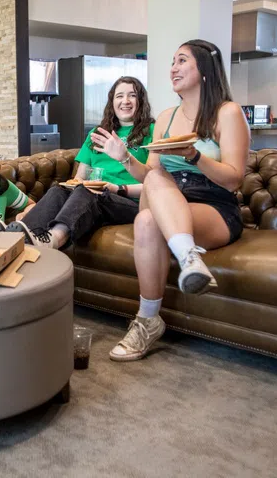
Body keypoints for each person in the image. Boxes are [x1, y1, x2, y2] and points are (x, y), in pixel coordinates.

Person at [92, 39, 250, 362]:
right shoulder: (165, 118)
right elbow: (148, 174)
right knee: (150, 200)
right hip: (170, 197)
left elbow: (234, 178)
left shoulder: (227, 113)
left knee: (149, 217)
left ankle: (174, 279)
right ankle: (157, 308)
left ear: (204, 69)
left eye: (182, 61)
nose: (173, 68)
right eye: (172, 62)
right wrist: (124, 159)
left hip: (215, 205)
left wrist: (194, 156)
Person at [5, 76, 154, 248]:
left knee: (87, 191)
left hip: (130, 201)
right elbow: (80, 177)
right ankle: (15, 239)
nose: (125, 101)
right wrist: (70, 187)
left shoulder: (151, 130)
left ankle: (54, 239)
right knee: (58, 190)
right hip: (97, 196)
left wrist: (118, 188)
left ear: (141, 100)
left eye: (132, 95)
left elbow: (155, 181)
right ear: (112, 101)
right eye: (119, 96)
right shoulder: (97, 134)